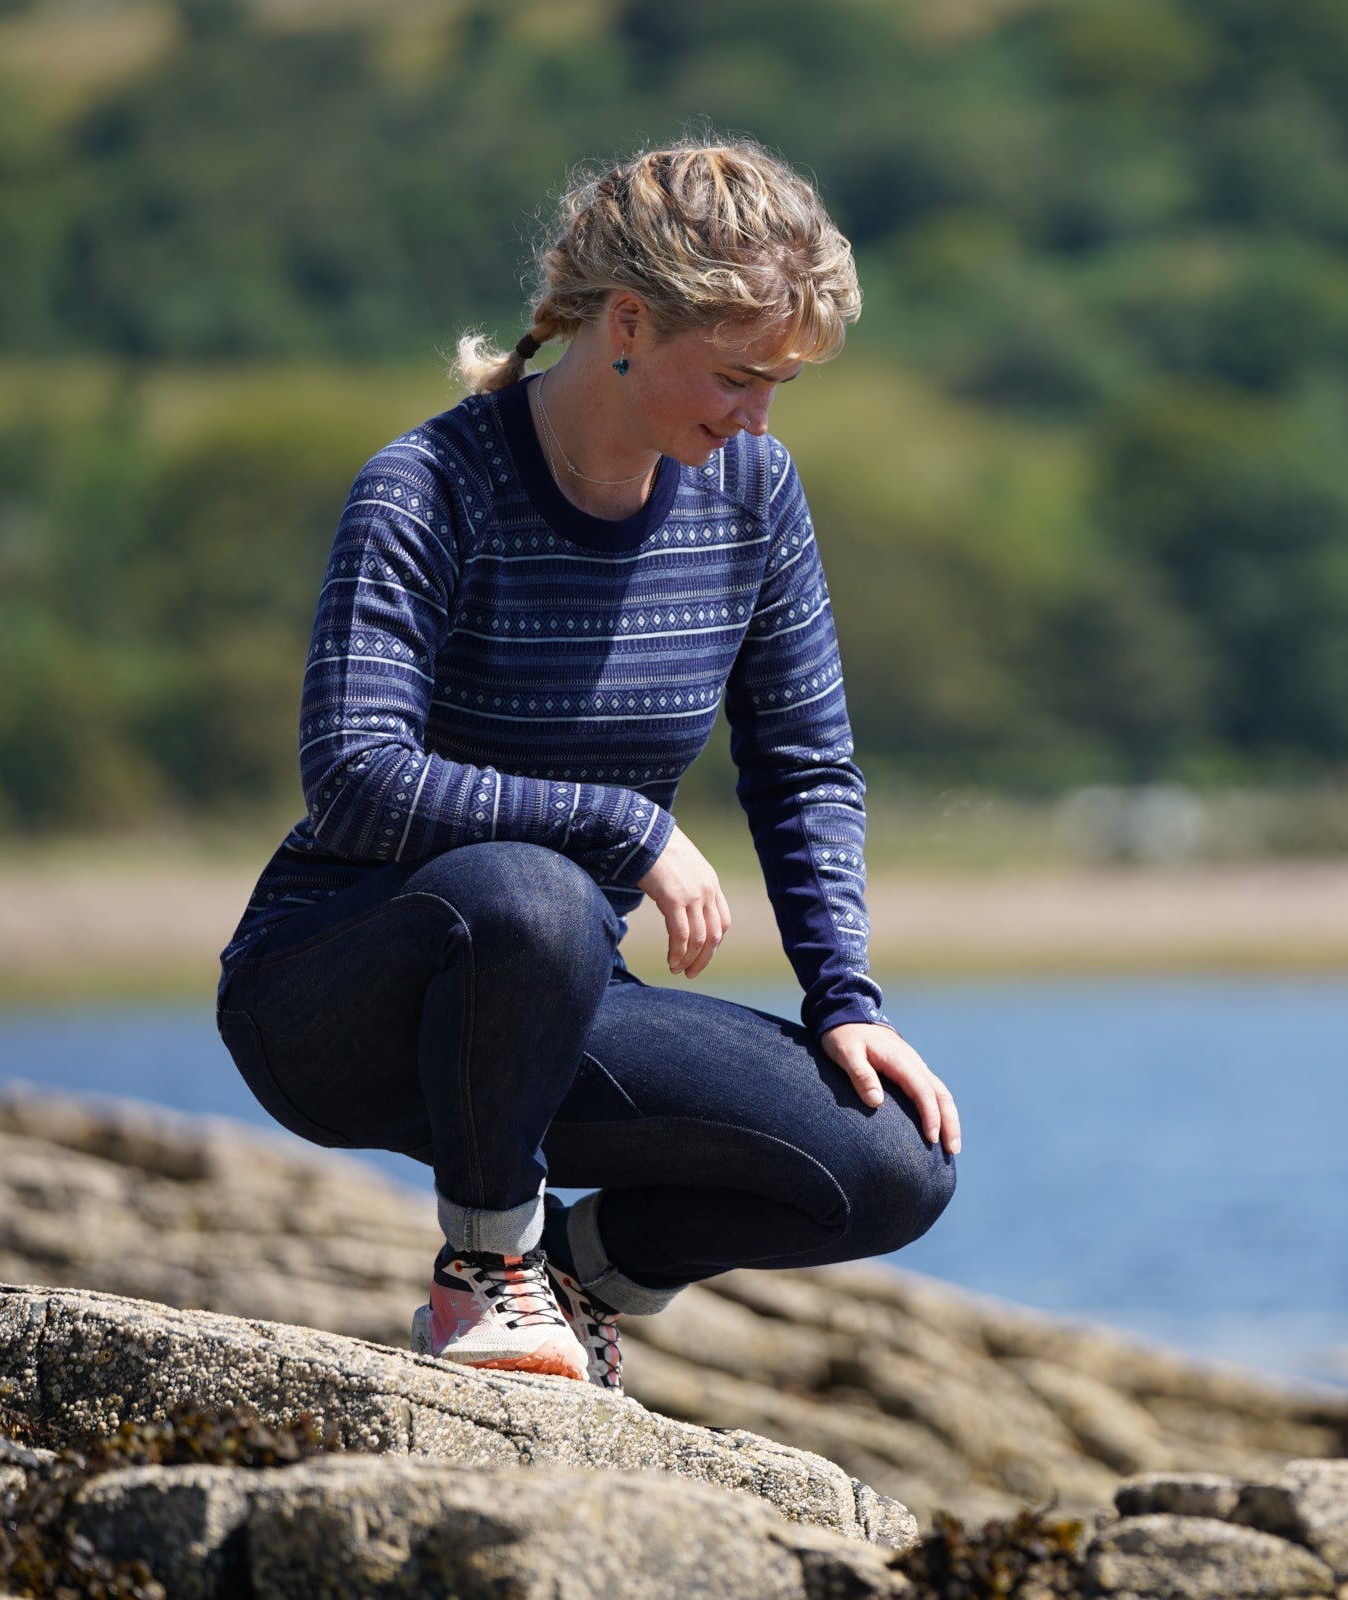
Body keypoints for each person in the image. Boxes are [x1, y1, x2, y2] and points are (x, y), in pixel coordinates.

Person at [213, 140, 960, 1392]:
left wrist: (846, 997)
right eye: (736, 376)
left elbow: (803, 766)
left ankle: (575, 1271)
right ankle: (485, 1271)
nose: (758, 417)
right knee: (537, 888)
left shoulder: (756, 497)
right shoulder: (426, 488)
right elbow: (353, 774)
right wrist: (624, 829)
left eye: (781, 384)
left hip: (552, 1000)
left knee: (892, 1166)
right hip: (336, 997)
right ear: (626, 322)